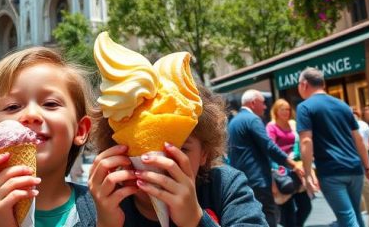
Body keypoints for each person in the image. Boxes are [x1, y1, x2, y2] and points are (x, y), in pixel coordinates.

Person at [90, 81, 267, 226]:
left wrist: (196, 220)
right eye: (140, 149)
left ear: (204, 152)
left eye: (180, 149)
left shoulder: (225, 187)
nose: (156, 164)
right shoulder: (103, 205)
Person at [0, 47, 97, 226]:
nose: (31, 114)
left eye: (50, 103)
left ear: (80, 131)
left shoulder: (100, 207)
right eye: (13, 107)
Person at [296, 68, 369, 227]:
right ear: (323, 84)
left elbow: (306, 141)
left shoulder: (304, 107)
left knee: (347, 218)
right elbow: (359, 140)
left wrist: (308, 174)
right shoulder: (343, 105)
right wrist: (368, 169)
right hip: (355, 169)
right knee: (354, 214)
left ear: (304, 84)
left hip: (331, 171)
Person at [227, 90, 304, 227]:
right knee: (268, 217)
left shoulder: (233, 122)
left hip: (242, 180)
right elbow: (269, 146)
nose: (265, 107)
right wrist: (293, 165)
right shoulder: (253, 119)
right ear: (253, 103)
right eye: (262, 103)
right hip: (258, 181)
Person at [268, 99, 313, 227]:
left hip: (296, 168)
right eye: (283, 109)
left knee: (306, 206)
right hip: (281, 171)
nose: (287, 112)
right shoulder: (271, 126)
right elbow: (270, 149)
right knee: (287, 211)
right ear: (276, 111)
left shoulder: (293, 124)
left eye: (288, 109)